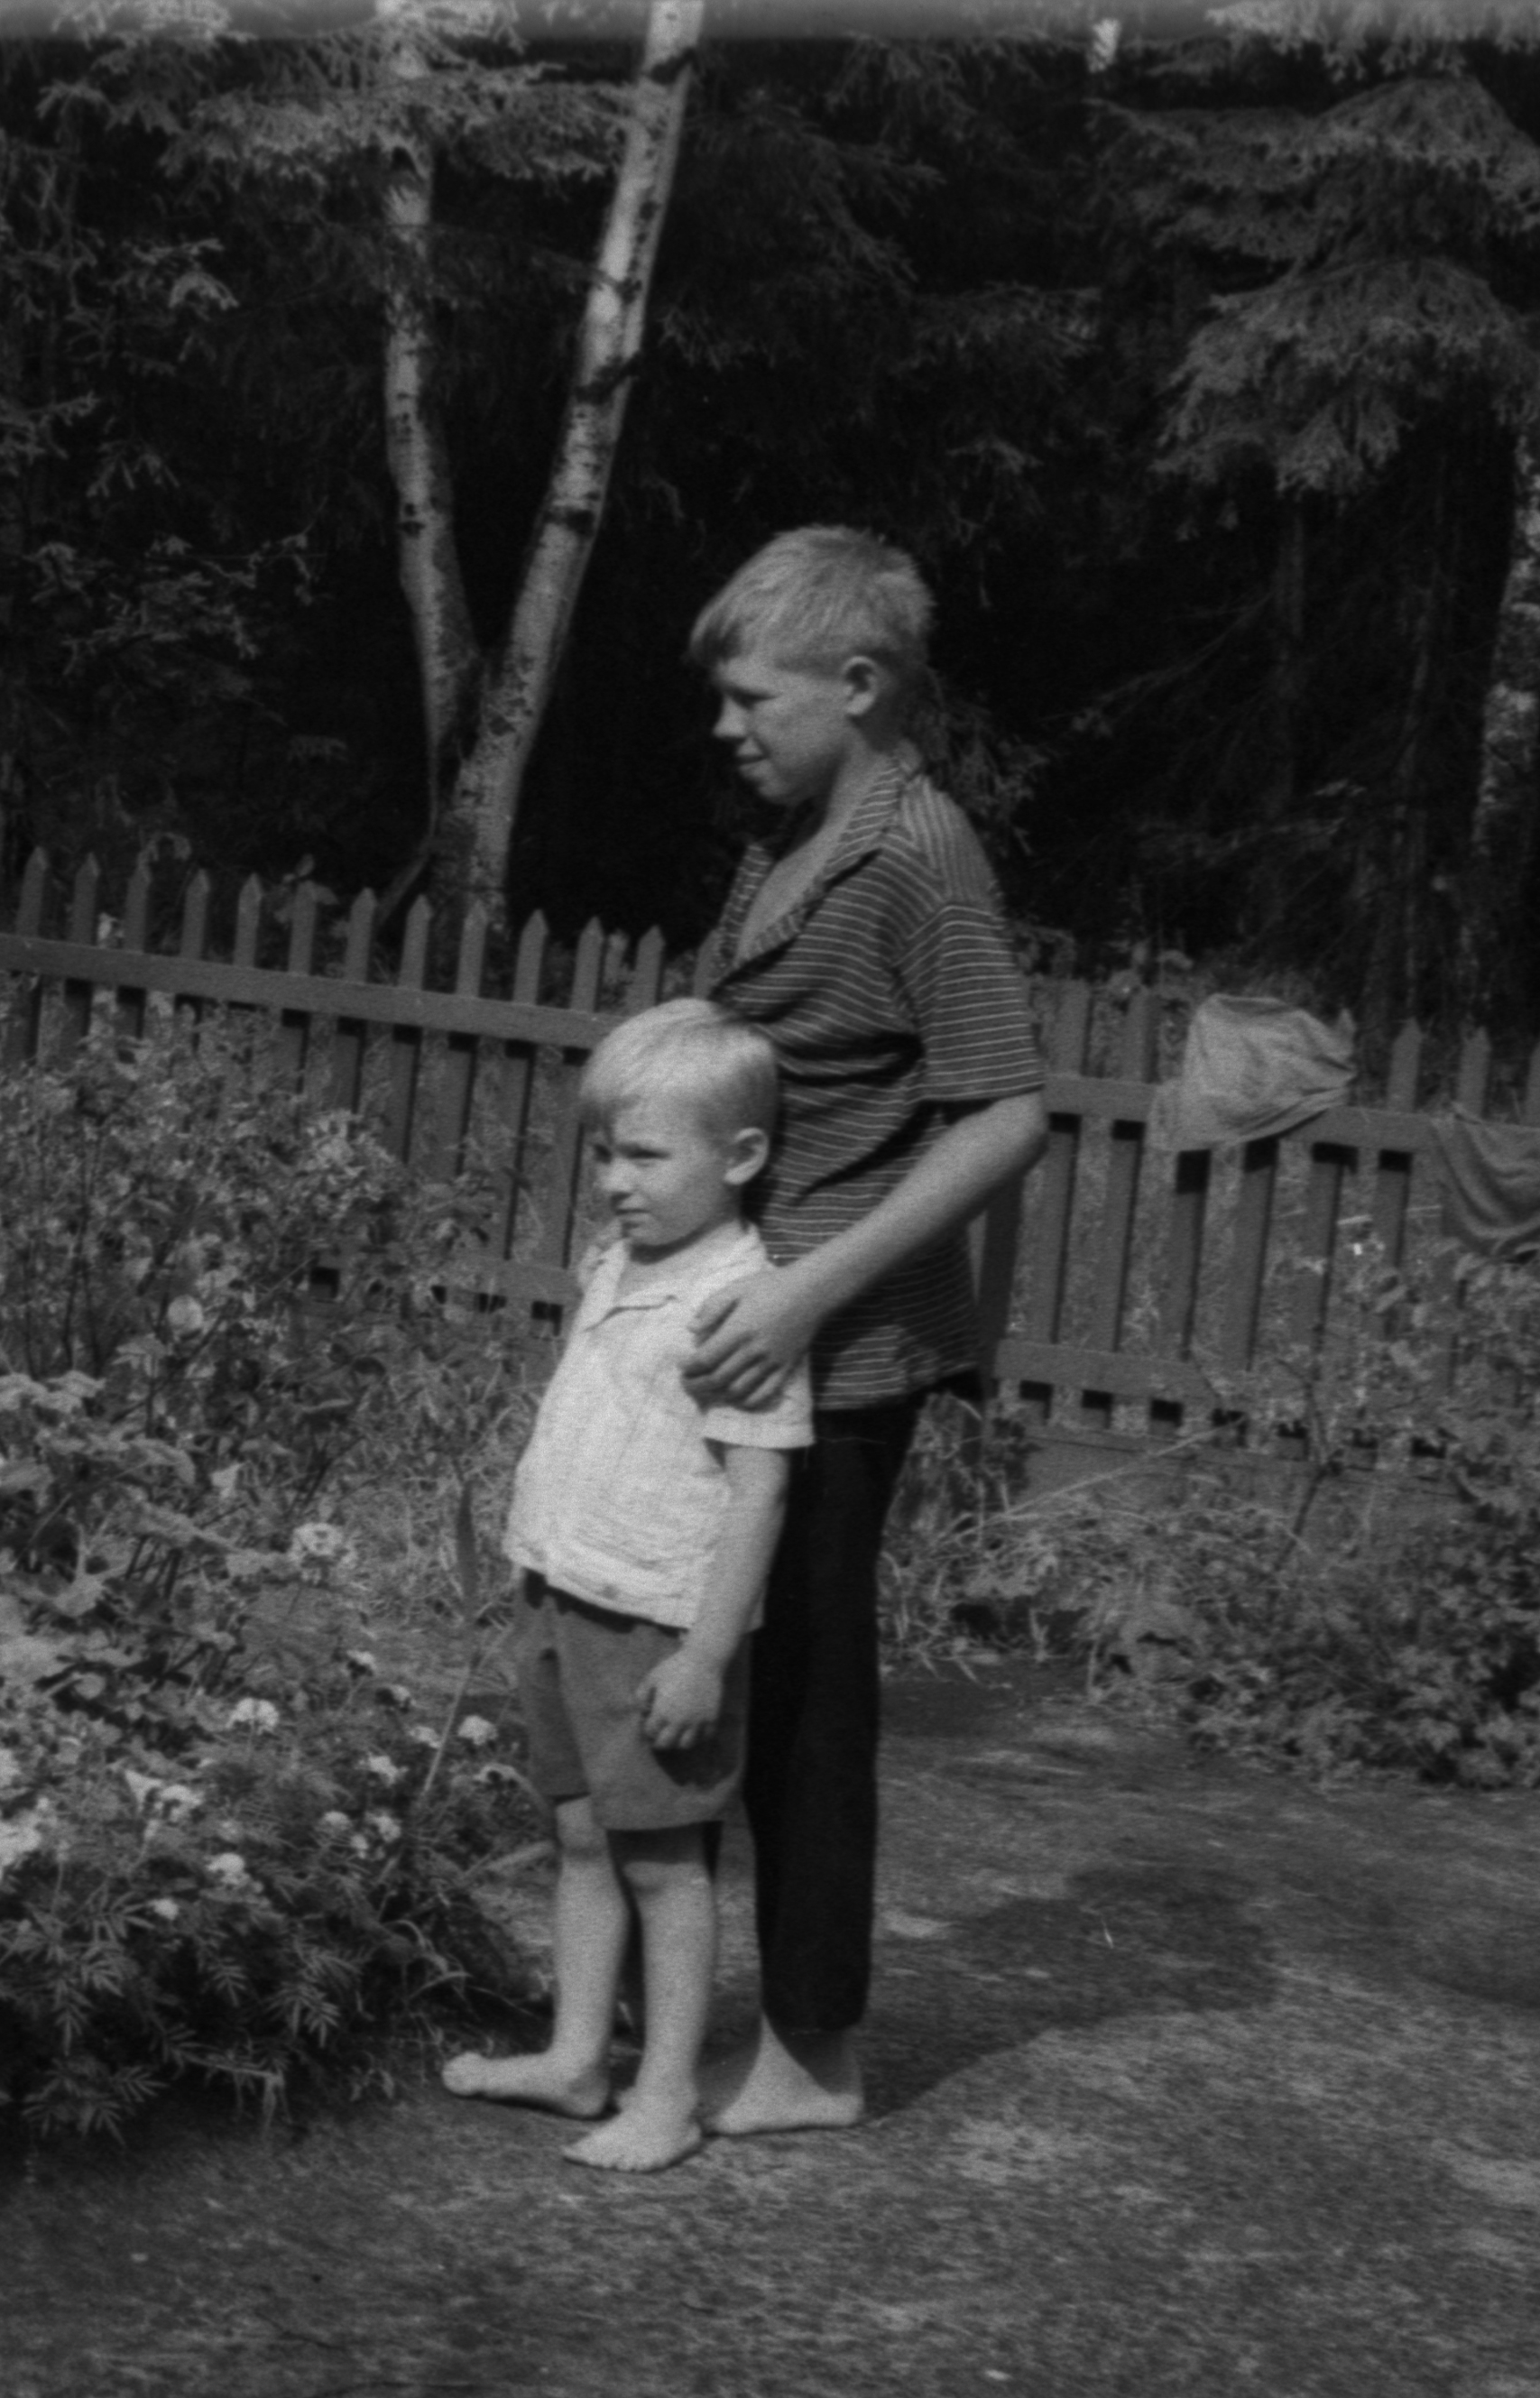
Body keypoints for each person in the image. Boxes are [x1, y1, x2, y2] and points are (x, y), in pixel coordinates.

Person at [678, 526, 1049, 2136]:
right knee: (715, 1662)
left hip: (838, 1347)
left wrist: (805, 1291)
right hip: (758, 1328)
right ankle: (700, 1996)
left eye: (754, 697)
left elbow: (1004, 1117)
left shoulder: (915, 855)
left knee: (810, 1692)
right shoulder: (794, 838)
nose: (724, 726)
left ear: (859, 685)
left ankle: (812, 2052)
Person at [444, 999, 809, 2173]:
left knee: (665, 1859)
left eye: (646, 1155)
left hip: (652, 1625)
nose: (614, 1179)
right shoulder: (619, 1258)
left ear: (739, 1156)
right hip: (560, 1593)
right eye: (605, 1152)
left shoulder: (741, 1306)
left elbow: (759, 1493)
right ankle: (572, 2059)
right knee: (580, 1838)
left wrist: (705, 1654)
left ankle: (664, 2099)